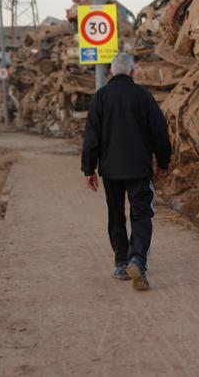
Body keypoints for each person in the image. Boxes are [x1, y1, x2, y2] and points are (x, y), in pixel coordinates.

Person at [81, 53, 172, 291]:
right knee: (142, 214)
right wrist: (163, 162)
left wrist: (88, 169)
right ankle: (137, 259)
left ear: (111, 72)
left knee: (116, 214)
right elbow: (160, 132)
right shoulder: (143, 96)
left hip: (110, 171)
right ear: (133, 72)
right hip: (139, 169)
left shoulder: (100, 97)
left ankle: (122, 262)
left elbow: (91, 137)